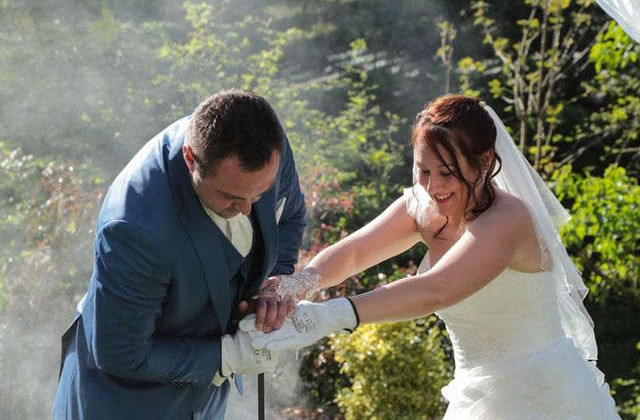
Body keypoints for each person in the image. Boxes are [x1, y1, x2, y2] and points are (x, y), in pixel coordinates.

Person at [242, 94, 621, 419]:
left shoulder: (509, 219)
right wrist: (296, 285)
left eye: (447, 173)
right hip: (475, 396)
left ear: (485, 161)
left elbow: (434, 291)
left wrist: (323, 317)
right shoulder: (424, 206)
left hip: (548, 398)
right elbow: (356, 251)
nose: (433, 186)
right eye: (424, 170)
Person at [53, 89, 306, 420]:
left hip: (205, 399)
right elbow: (120, 352)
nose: (246, 209)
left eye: (258, 195)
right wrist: (225, 357)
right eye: (230, 196)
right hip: (121, 403)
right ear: (190, 159)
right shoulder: (134, 227)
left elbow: (290, 218)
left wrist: (275, 284)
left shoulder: (268, 147)